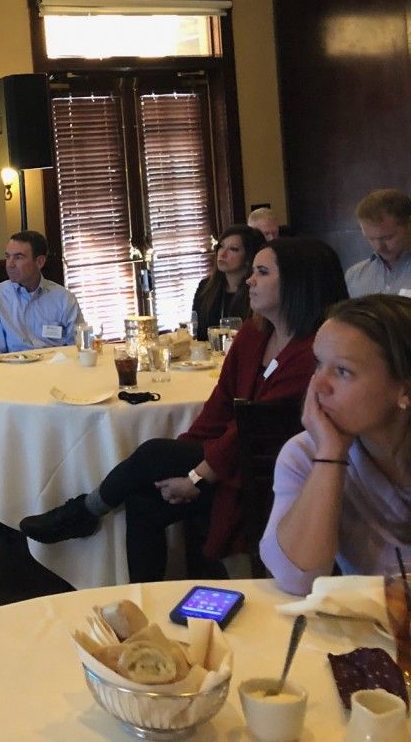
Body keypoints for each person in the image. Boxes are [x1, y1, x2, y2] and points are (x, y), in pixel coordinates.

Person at [19, 238, 348, 582]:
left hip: (269, 475)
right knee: (144, 499)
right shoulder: (253, 335)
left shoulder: (315, 352)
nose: (250, 281)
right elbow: (221, 403)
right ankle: (142, 604)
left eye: (262, 273)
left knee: (153, 453)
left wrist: (196, 475)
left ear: (298, 284)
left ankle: (85, 511)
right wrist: (184, 454)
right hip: (232, 461)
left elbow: (257, 427)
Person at [260, 294, 411, 595]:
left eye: (342, 371)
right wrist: (330, 456)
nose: (317, 386)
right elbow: (296, 580)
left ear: (403, 389)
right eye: (318, 364)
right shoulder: (306, 453)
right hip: (375, 634)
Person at [0, 230, 83, 354]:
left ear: (40, 262)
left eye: (18, 257)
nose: (10, 264)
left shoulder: (63, 298)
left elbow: (79, 345)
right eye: (7, 256)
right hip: (14, 370)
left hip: (56, 368)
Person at [190, 224, 267, 342]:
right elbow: (198, 335)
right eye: (221, 246)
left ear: (248, 257)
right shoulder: (205, 287)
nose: (223, 254)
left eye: (233, 249)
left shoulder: (257, 290)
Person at [345, 188, 411, 298]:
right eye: (370, 239)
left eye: (387, 237)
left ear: (408, 226)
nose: (379, 247)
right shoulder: (354, 276)